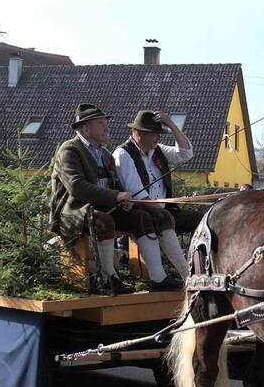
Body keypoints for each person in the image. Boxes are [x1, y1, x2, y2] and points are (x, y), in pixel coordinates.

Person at [50, 104, 156, 295]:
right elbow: (77, 187)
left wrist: (122, 200)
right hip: (73, 211)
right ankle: (108, 279)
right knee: (104, 222)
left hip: (103, 208)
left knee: (143, 218)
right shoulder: (69, 149)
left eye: (106, 123)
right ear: (86, 128)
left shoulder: (105, 153)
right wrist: (115, 196)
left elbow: (112, 185)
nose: (107, 127)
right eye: (101, 124)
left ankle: (158, 278)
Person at [112, 110, 200, 288]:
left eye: (160, 133)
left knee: (200, 220)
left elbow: (185, 154)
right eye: (155, 133)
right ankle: (186, 276)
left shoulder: (157, 150)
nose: (159, 137)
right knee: (163, 218)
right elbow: (136, 193)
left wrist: (172, 125)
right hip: (141, 211)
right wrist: (161, 210)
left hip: (163, 210)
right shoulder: (123, 154)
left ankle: (199, 271)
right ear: (139, 133)